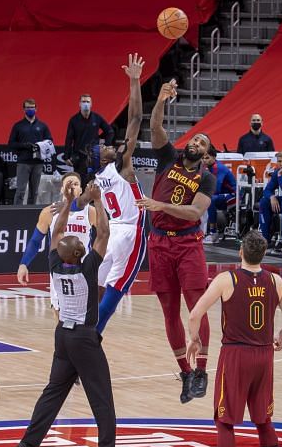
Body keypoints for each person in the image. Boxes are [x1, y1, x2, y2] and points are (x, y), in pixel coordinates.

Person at [15, 181, 129, 447]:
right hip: (83, 338)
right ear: (80, 254)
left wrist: (66, 203)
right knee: (101, 393)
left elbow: (56, 233)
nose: (79, 240)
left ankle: (28, 443)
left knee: (54, 391)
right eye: (79, 243)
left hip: (62, 337)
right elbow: (103, 232)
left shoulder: (55, 263)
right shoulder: (88, 269)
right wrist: (99, 200)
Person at [186, 232, 282, 447]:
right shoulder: (276, 281)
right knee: (264, 420)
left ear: (240, 253)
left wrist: (195, 340)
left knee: (225, 421)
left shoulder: (227, 279)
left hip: (235, 354)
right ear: (263, 255)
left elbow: (194, 314)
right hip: (264, 356)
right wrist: (280, 338)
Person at [136, 79, 216, 404]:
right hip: (158, 244)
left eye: (202, 142)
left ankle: (203, 370)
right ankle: (185, 371)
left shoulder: (206, 177)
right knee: (169, 313)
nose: (195, 142)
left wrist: (160, 206)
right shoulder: (168, 157)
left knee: (197, 309)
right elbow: (155, 125)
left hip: (187, 244)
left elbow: (194, 211)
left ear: (206, 155)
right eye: (194, 137)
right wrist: (161, 99)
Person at [93, 53, 147, 331]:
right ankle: (92, 338)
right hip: (127, 232)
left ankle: (87, 333)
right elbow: (136, 118)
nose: (107, 144)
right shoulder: (123, 166)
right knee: (113, 292)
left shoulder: (98, 179)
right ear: (102, 159)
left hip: (112, 232)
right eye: (102, 147)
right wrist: (135, 82)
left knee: (99, 288)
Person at [16, 172, 96, 315]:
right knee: (60, 315)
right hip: (59, 270)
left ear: (81, 190)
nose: (72, 187)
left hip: (84, 269)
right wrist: (23, 264)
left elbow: (105, 235)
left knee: (86, 316)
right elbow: (35, 241)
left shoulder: (90, 212)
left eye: (76, 184)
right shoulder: (49, 212)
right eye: (69, 184)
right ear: (61, 189)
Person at [8, 98, 54, 205]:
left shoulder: (42, 126)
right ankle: (16, 212)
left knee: (34, 192)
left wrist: (41, 146)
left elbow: (50, 141)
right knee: (20, 191)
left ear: (36, 109)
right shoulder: (18, 126)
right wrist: (24, 146)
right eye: (28, 107)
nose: (30, 109)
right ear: (24, 109)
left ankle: (31, 213)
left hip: (38, 162)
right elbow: (11, 144)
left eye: (32, 107)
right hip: (23, 163)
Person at [64, 93, 115, 185]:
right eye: (83, 101)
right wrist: (67, 156)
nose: (85, 103)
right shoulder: (74, 120)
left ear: (91, 104)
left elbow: (110, 131)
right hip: (79, 157)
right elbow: (69, 139)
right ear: (79, 104)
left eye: (88, 101)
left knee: (94, 183)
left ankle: (93, 200)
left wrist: (106, 147)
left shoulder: (97, 118)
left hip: (94, 156)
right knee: (80, 184)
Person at [201, 146, 236, 244]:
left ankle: (213, 233)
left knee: (210, 199)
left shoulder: (218, 168)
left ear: (214, 157)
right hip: (222, 195)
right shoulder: (206, 167)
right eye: (203, 158)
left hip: (234, 196)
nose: (204, 160)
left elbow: (216, 189)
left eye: (207, 158)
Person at [258, 152, 282, 250]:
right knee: (264, 202)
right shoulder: (277, 172)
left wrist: (281, 176)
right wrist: (272, 197)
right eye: (279, 161)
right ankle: (266, 240)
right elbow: (267, 190)